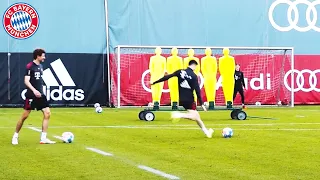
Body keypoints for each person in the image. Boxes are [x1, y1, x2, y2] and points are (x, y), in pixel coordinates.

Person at [151, 60, 214, 138]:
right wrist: (201, 103)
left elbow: (167, 77)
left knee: (197, 117)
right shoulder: (193, 76)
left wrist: (154, 82)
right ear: (194, 65)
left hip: (181, 99)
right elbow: (197, 90)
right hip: (190, 99)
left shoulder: (180, 72)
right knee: (194, 116)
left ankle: (207, 132)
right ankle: (179, 114)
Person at [12, 49, 56, 145]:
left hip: (41, 95)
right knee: (25, 116)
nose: (44, 57)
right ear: (38, 56)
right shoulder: (30, 66)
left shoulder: (40, 66)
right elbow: (26, 81)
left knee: (47, 113)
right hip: (32, 95)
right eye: (43, 56)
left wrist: (40, 91)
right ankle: (15, 135)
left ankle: (43, 138)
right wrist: (34, 90)